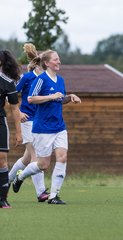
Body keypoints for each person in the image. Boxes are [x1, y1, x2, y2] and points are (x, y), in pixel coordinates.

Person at [12, 50, 81, 205]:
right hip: (43, 128)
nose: (59, 62)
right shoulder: (41, 80)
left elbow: (60, 99)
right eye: (56, 59)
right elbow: (30, 99)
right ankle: (21, 176)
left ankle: (54, 195)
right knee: (43, 165)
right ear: (47, 63)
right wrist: (51, 96)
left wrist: (70, 97)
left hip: (59, 127)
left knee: (62, 157)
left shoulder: (61, 80)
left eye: (59, 59)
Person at [8, 43, 50, 202]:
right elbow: (9, 95)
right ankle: (41, 192)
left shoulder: (47, 79)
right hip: (27, 121)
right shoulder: (27, 77)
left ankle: (8, 179)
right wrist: (18, 112)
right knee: (36, 157)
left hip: (40, 122)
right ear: (43, 64)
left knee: (26, 159)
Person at [0, 50, 22, 208]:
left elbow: (15, 109)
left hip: (0, 123)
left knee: (2, 160)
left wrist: (19, 132)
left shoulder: (7, 82)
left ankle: (2, 198)